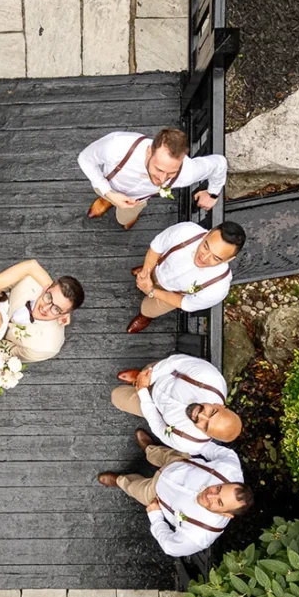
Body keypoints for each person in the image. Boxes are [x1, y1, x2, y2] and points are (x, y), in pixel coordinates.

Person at [98, 429, 253, 557]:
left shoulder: (200, 535)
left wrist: (156, 517)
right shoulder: (229, 468)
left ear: (226, 515)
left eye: (219, 502)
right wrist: (189, 444)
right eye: (218, 488)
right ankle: (150, 449)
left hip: (157, 497)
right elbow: (209, 449)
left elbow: (170, 547)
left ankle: (120, 480)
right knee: (162, 453)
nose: (210, 495)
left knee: (134, 488)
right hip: (177, 463)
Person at [77, 128, 228, 230]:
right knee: (101, 192)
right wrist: (108, 193)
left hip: (137, 200)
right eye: (159, 169)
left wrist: (212, 193)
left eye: (171, 173)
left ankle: (126, 214)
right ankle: (106, 201)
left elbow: (219, 164)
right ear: (149, 152)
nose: (162, 179)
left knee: (124, 219)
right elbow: (85, 158)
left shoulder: (187, 172)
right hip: (106, 183)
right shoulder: (117, 147)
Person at [127, 220, 245, 334]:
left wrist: (151, 291)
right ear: (207, 233)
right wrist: (146, 272)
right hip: (159, 267)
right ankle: (145, 271)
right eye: (206, 246)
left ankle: (145, 315)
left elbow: (186, 303)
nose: (204, 258)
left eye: (216, 258)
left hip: (172, 294)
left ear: (229, 259)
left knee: (149, 309)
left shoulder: (218, 287)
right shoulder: (186, 231)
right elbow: (157, 247)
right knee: (148, 268)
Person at [111, 353, 242, 455]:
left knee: (116, 396)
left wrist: (143, 393)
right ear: (221, 406)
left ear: (209, 436)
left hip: (153, 406)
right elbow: (175, 362)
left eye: (206, 425)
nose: (201, 415)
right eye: (212, 412)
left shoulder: (189, 443)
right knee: (149, 368)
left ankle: (138, 383)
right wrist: (148, 379)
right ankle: (139, 375)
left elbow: (158, 427)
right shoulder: (211, 379)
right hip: (162, 376)